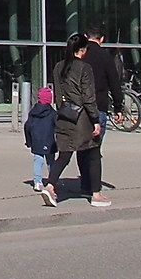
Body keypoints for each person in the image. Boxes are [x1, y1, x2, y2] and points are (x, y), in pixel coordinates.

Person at [49, 35, 112, 208]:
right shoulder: (84, 68)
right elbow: (88, 97)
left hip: (64, 115)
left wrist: (64, 109)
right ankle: (96, 194)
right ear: (82, 50)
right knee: (93, 153)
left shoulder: (58, 67)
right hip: (82, 118)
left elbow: (58, 95)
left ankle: (50, 185)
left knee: (64, 154)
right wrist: (95, 119)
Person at [80, 23, 126, 121]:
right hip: (99, 105)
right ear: (102, 39)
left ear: (85, 36)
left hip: (79, 106)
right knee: (97, 135)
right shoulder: (106, 56)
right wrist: (118, 107)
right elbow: (114, 83)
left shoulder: (79, 55)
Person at [24, 85, 59, 205]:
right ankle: (52, 181)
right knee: (51, 162)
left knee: (38, 161)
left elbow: (27, 126)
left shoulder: (33, 112)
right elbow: (58, 127)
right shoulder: (53, 113)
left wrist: (28, 141)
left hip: (37, 141)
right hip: (50, 141)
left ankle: (37, 182)